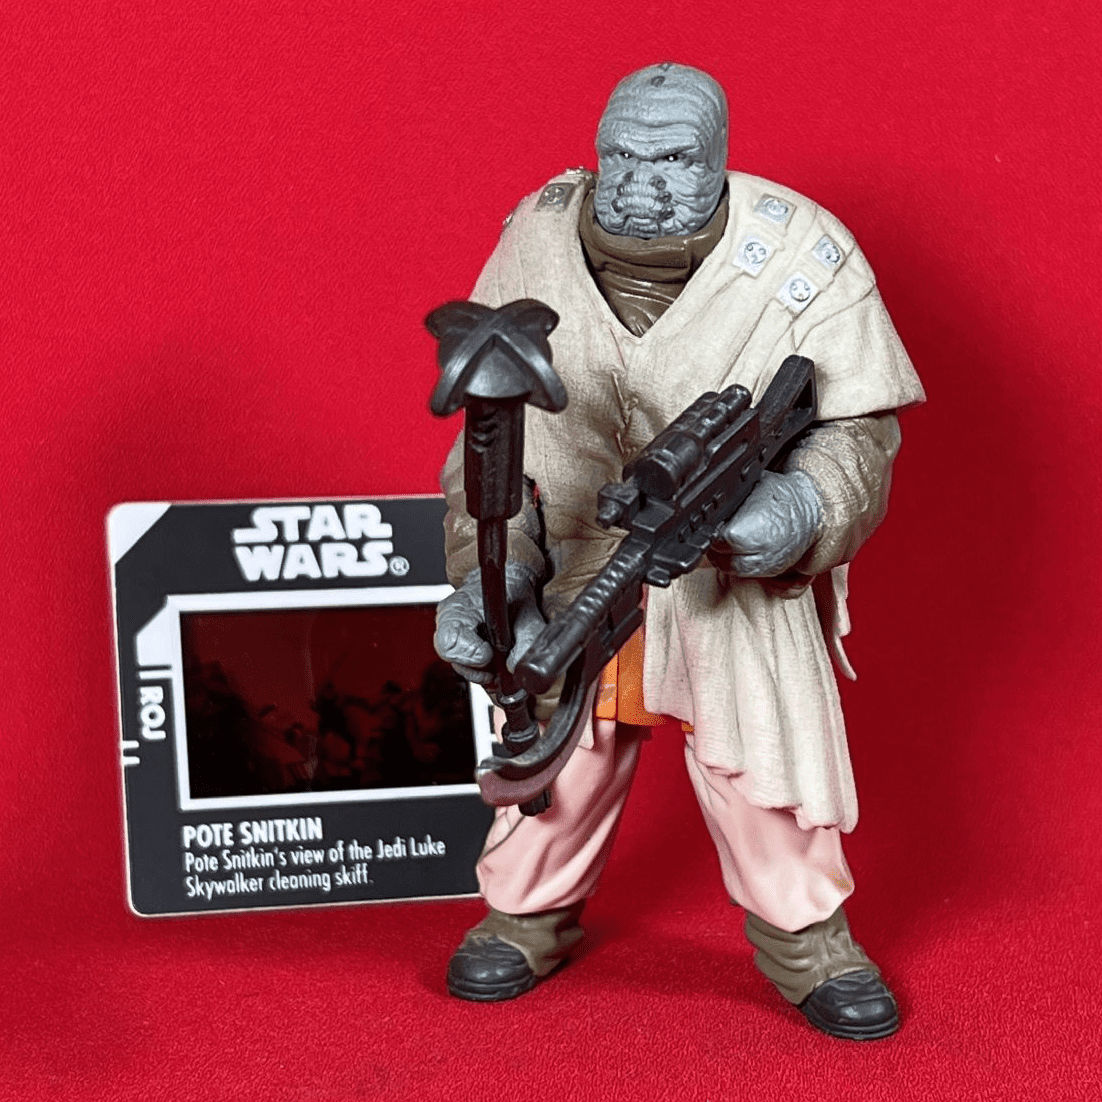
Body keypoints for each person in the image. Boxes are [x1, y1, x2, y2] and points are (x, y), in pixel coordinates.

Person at [434, 63, 924, 1040]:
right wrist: (493, 578)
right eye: (621, 154)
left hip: (733, 579)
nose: (642, 180)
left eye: (673, 158)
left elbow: (859, 431)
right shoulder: (536, 238)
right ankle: (528, 911)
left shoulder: (804, 252)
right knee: (559, 745)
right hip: (579, 550)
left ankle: (806, 935)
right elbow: (490, 439)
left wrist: (799, 506)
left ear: (720, 159)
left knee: (764, 763)